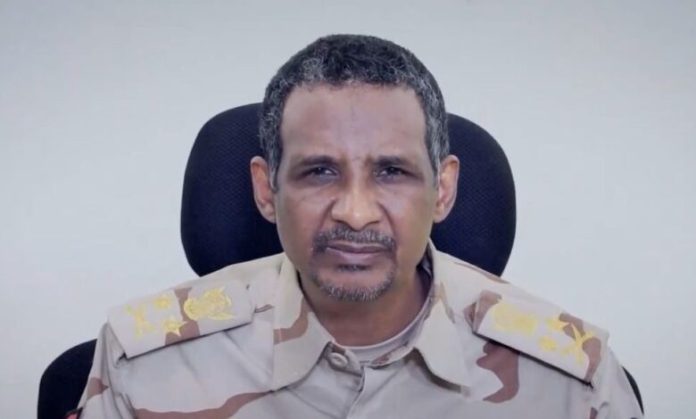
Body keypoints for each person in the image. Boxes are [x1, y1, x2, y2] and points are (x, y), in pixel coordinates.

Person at [71, 34, 643, 418]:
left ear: (443, 189)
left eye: (392, 172)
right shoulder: (143, 362)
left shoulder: (572, 383)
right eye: (319, 171)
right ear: (266, 190)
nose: (355, 211)